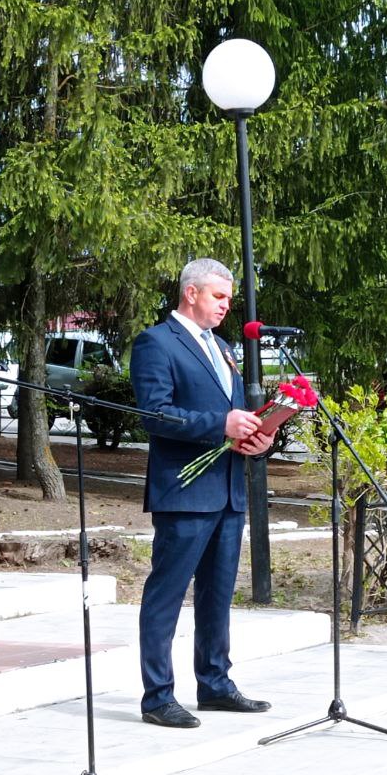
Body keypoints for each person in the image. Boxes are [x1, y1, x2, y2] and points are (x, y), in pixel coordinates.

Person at [129, 258, 275, 728]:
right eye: (219, 297)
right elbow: (156, 415)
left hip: (229, 488)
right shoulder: (155, 343)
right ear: (191, 293)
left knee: (217, 595)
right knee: (166, 595)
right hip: (185, 491)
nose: (226, 306)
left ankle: (214, 684)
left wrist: (257, 436)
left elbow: (233, 414)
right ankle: (157, 697)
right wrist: (221, 424)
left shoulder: (224, 347)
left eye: (229, 298)